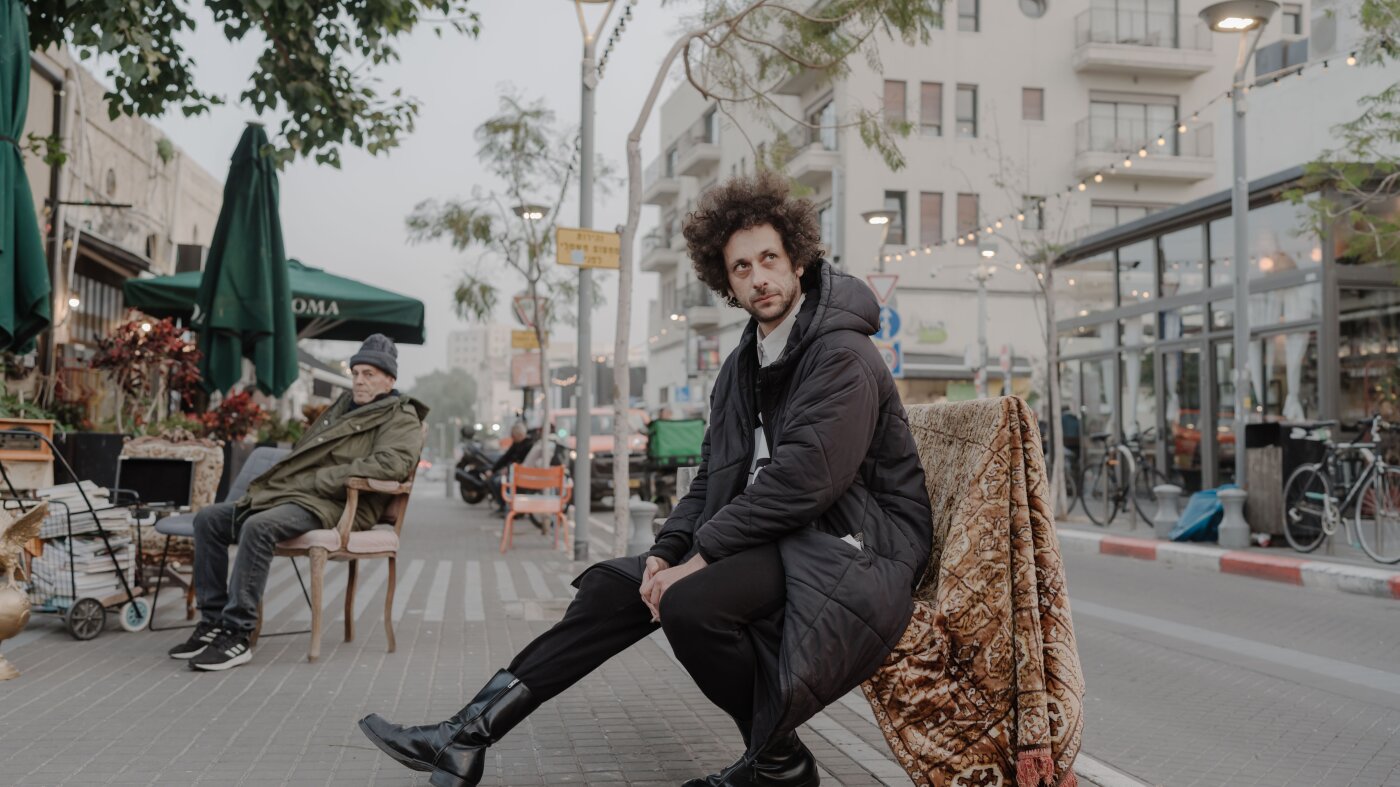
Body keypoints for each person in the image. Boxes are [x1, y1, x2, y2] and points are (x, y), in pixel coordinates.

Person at [358, 172, 932, 787]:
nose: (759, 277)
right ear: (727, 283)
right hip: (789, 534)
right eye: (741, 268)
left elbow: (804, 481)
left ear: (798, 260)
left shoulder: (840, 353)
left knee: (691, 602)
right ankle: (465, 735)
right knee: (616, 588)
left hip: (857, 544)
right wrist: (666, 550)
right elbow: (713, 475)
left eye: (769, 259)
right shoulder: (744, 364)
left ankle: (778, 761)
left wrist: (697, 561)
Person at [168, 334, 427, 671]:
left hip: (344, 505)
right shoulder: (343, 406)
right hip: (300, 495)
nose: (359, 381)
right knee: (210, 520)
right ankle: (213, 622)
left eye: (369, 374)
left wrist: (325, 478)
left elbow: (391, 465)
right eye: (356, 373)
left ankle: (237, 633)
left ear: (389, 380)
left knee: (259, 526)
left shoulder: (400, 415)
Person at [487, 422, 534, 513]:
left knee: (498, 482)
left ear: (519, 435)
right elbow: (505, 457)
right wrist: (493, 470)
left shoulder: (529, 445)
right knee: (493, 479)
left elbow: (523, 463)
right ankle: (503, 506)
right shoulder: (516, 444)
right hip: (512, 471)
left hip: (519, 473)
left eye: (513, 436)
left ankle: (508, 507)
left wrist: (508, 469)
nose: (512, 438)